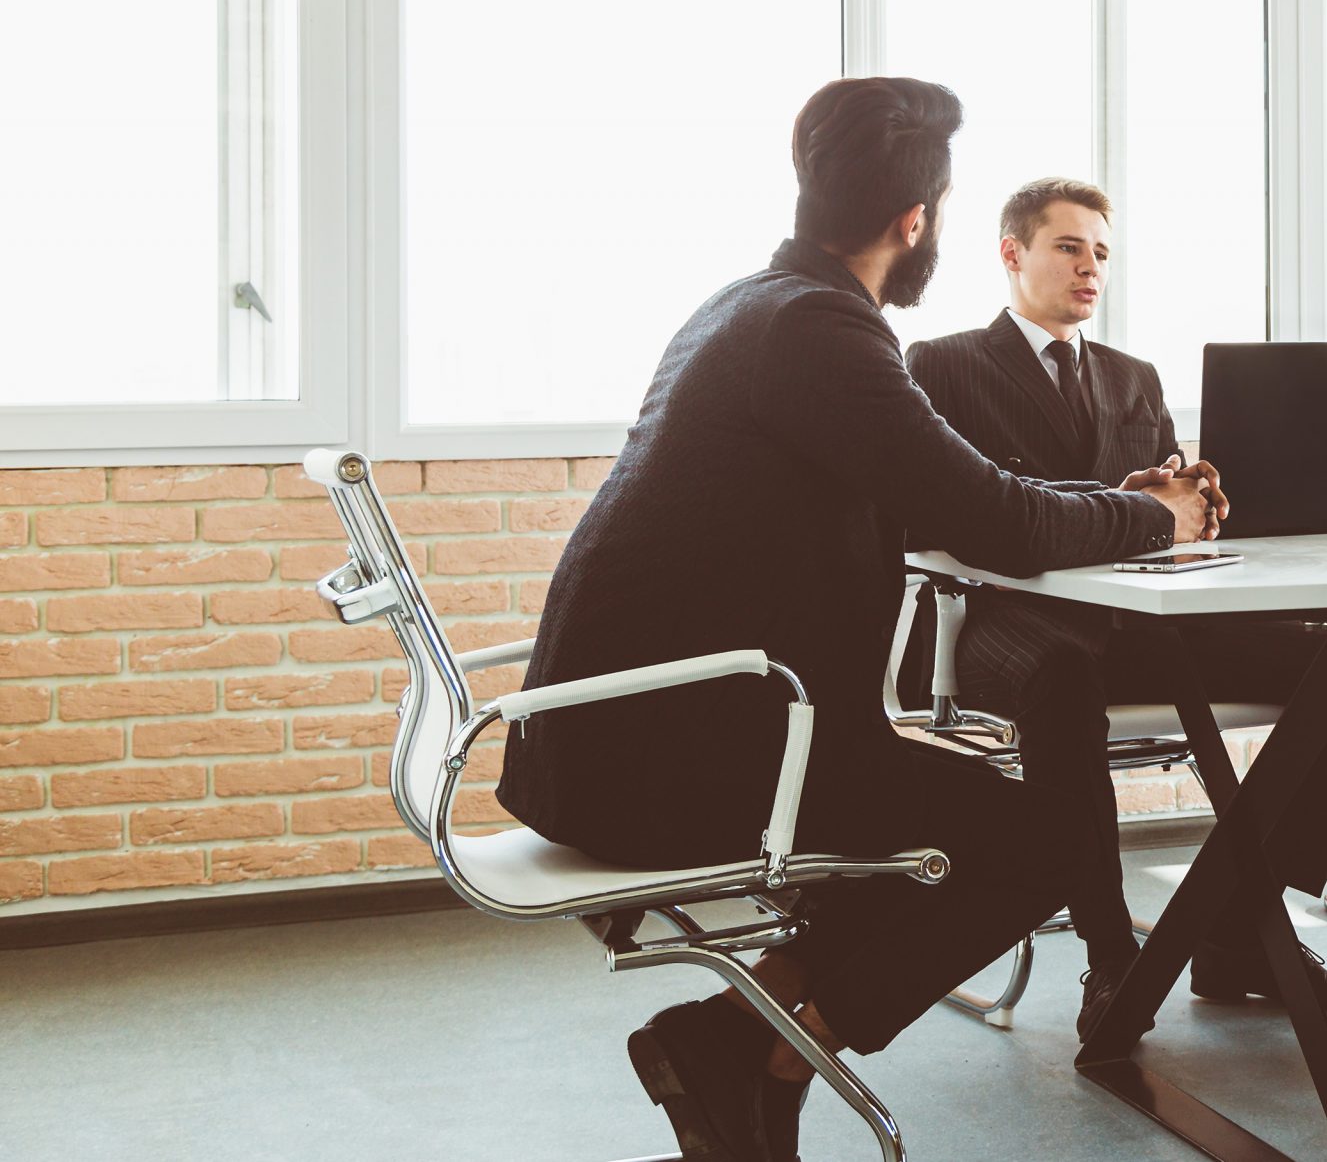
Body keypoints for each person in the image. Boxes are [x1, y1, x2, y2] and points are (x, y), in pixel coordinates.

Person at [496, 80, 1220, 1162]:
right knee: (1043, 838)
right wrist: (1154, 518)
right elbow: (998, 520)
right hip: (675, 757)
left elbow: (972, 496)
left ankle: (748, 1064)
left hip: (617, 735)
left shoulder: (750, 308)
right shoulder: (822, 333)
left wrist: (1110, 506)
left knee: (950, 816)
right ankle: (754, 1047)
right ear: (915, 223)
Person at [903, 177, 1327, 1034]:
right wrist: (1117, 505)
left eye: (1101, 252)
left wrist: (1191, 497)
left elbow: (1154, 520)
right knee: (1061, 672)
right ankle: (1112, 957)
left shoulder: (1134, 376)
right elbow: (966, 516)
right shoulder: (939, 364)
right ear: (1011, 253)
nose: (1090, 267)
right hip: (989, 620)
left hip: (1127, 618)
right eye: (1069, 247)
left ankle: (1243, 924)